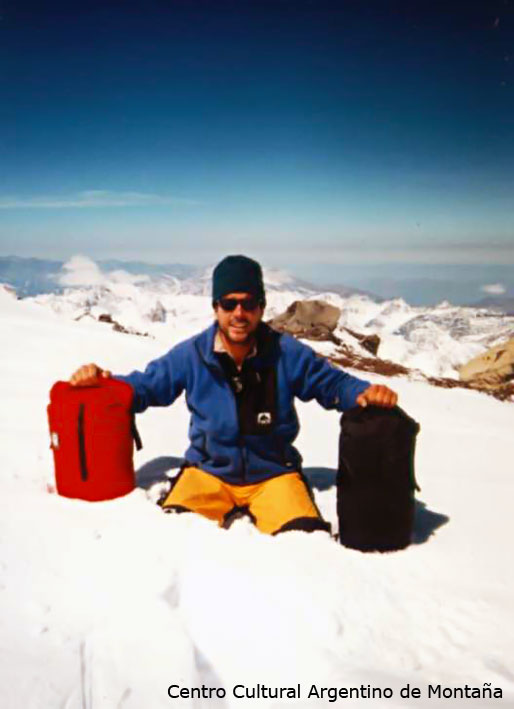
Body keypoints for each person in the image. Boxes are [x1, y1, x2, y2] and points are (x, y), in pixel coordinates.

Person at [70, 255, 398, 535]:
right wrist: (102, 383)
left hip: (275, 475)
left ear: (261, 307)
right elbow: (148, 385)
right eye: (229, 303)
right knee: (175, 537)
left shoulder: (287, 353)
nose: (239, 313)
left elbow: (333, 385)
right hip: (207, 474)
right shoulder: (193, 354)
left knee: (300, 542)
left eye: (249, 303)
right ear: (216, 307)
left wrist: (365, 392)